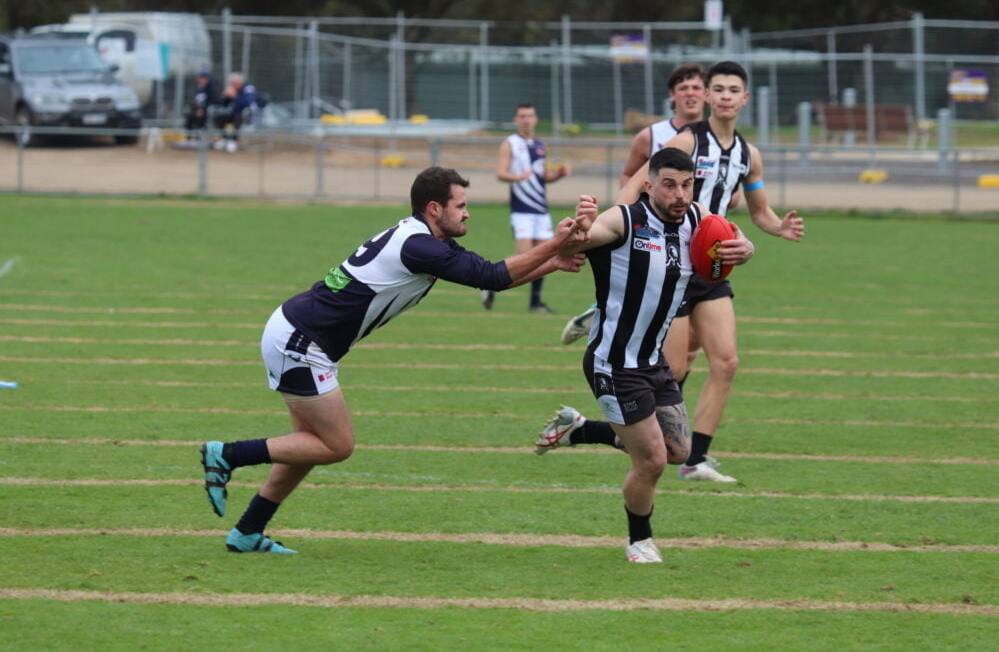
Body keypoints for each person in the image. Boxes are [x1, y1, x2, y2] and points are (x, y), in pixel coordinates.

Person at [199, 166, 589, 554]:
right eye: (461, 205)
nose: (468, 213)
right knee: (336, 446)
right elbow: (490, 275)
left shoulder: (425, 239)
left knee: (308, 444)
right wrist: (555, 245)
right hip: (301, 341)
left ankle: (248, 531)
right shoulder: (419, 246)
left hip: (300, 334)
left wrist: (551, 263)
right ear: (435, 208)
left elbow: (492, 278)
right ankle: (228, 454)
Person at [532, 148, 755, 562]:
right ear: (649, 185)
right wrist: (579, 229)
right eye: (669, 185)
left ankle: (578, 430)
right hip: (614, 364)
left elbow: (734, 237)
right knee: (651, 460)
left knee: (678, 452)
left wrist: (746, 248)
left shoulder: (696, 218)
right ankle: (640, 540)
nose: (679, 195)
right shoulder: (626, 219)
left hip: (653, 362)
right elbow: (586, 237)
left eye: (686, 185)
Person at [617, 61, 806, 482]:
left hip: (714, 266)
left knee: (727, 363)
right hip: (674, 264)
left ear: (744, 98)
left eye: (732, 89)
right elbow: (638, 184)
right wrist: (618, 222)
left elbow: (758, 210)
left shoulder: (748, 155)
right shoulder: (687, 141)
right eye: (717, 88)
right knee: (675, 369)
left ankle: (694, 459)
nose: (723, 95)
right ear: (707, 97)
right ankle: (610, 432)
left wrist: (779, 227)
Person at [562, 64, 709, 344]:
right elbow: (629, 177)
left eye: (696, 88)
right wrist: (622, 222)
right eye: (683, 88)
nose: (690, 94)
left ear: (707, 95)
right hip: (654, 238)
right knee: (663, 337)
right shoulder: (652, 136)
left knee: (694, 346)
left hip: (698, 239)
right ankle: (609, 313)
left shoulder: (715, 139)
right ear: (672, 95)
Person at [482, 102, 570, 313]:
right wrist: (517, 176)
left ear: (535, 119)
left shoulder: (540, 145)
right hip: (521, 210)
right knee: (524, 258)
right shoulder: (509, 143)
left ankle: (535, 303)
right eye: (522, 116)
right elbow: (500, 173)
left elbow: (542, 177)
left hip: (541, 209)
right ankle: (489, 281)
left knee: (544, 256)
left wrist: (557, 175)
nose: (526, 120)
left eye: (530, 116)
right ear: (515, 120)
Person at [213, 72, 261, 153]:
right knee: (219, 118)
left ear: (238, 82)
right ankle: (225, 139)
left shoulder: (248, 88)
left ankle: (233, 141)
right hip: (234, 113)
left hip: (247, 115)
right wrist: (225, 96)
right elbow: (224, 104)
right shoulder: (234, 90)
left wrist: (235, 96)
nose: (231, 85)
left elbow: (247, 103)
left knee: (238, 117)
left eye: (233, 83)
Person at [184, 71, 219, 137]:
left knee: (200, 118)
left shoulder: (211, 89)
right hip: (197, 110)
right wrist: (194, 105)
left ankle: (200, 138)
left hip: (206, 111)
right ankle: (189, 138)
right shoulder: (197, 88)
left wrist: (203, 109)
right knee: (189, 117)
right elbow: (194, 100)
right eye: (199, 78)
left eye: (202, 78)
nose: (200, 80)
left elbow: (214, 100)